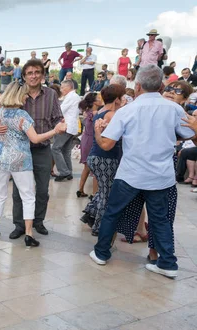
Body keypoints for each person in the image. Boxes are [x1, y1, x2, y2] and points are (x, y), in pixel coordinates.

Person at [89, 65, 196, 278]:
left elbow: (107, 145)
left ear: (137, 86)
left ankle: (101, 253)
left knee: (112, 212)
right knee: (160, 219)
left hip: (131, 173)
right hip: (161, 176)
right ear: (160, 85)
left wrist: (97, 132)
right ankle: (167, 263)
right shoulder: (174, 109)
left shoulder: (127, 110)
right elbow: (191, 135)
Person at [118, 80, 194, 263]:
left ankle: (155, 251)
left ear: (184, 99)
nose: (170, 92)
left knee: (162, 214)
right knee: (130, 205)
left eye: (177, 91)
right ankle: (132, 236)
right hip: (137, 166)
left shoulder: (183, 116)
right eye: (168, 88)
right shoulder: (151, 108)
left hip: (164, 168)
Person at [0, 82, 65, 245]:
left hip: (0, 159)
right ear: (19, 95)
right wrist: (54, 131)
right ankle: (29, 234)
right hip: (20, 160)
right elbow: (35, 138)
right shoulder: (23, 116)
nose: (27, 96)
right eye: (25, 94)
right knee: (28, 196)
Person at [80, 84, 126, 235]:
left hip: (95, 156)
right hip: (106, 157)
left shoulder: (100, 111)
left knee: (104, 189)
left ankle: (90, 213)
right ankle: (99, 227)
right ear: (117, 99)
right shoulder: (112, 115)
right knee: (107, 193)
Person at [52, 80, 80, 181]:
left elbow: (60, 110)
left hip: (66, 126)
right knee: (65, 151)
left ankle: (64, 172)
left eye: (63, 87)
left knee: (55, 148)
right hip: (71, 126)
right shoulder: (74, 96)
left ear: (69, 87)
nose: (61, 89)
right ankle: (69, 172)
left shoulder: (71, 96)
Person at [77, 92, 102, 198]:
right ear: (94, 102)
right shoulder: (97, 113)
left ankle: (80, 189)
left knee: (87, 167)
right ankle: (94, 193)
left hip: (85, 139)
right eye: (99, 98)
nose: (101, 99)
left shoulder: (86, 112)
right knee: (96, 169)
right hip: (92, 140)